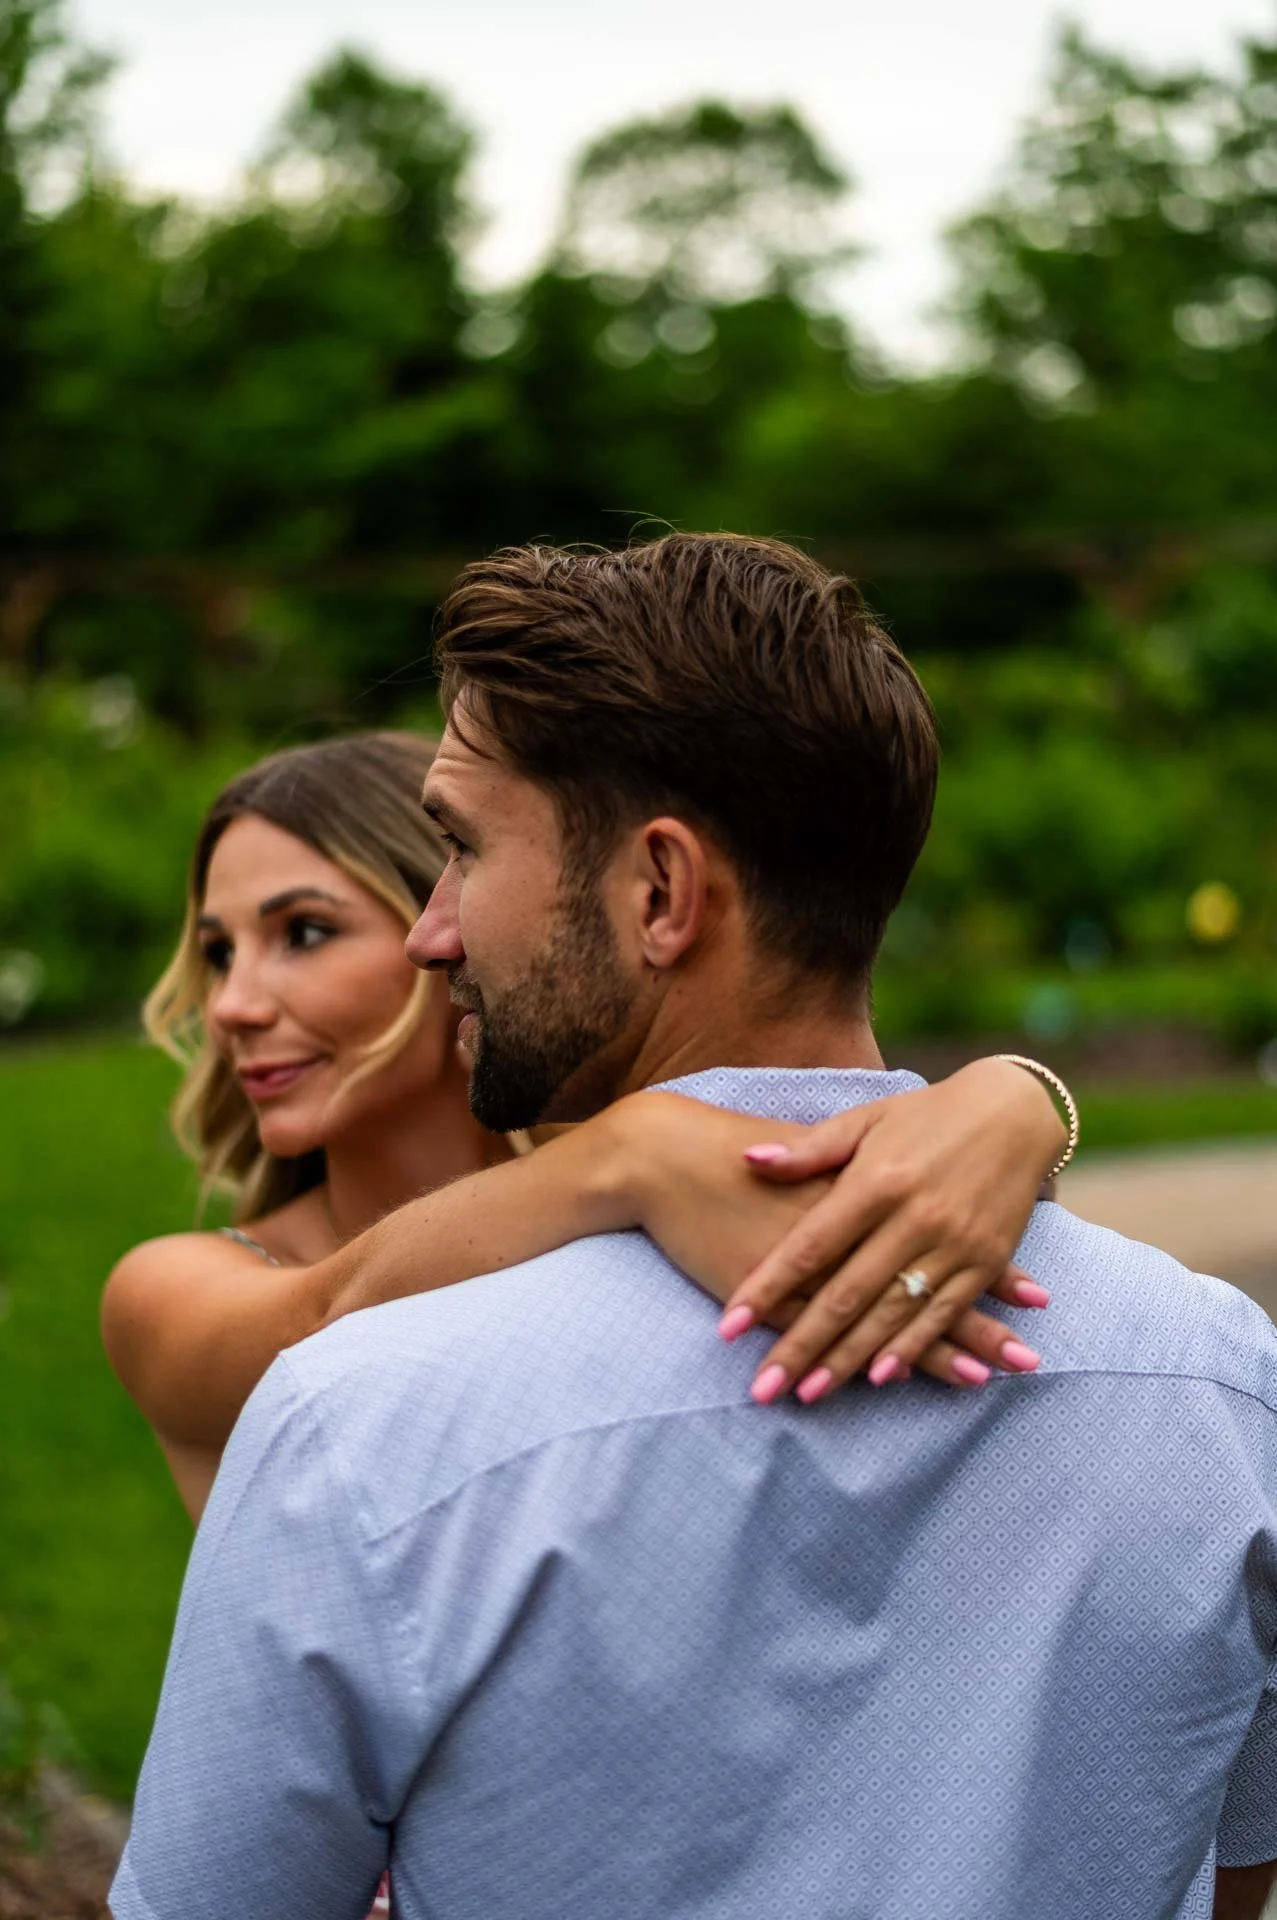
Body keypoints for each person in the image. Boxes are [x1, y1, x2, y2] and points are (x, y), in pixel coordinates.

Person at [114, 533, 1277, 1920]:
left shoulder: (364, 1422)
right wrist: (1023, 1093)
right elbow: (1230, 1882)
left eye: (462, 851)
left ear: (659, 892)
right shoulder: (1217, 1380)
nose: (435, 935)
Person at [103, 733, 1061, 1524]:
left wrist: (1018, 1101)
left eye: (302, 933)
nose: (231, 1004)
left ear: (455, 921)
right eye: (218, 953)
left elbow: (848, 1172)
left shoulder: (655, 1191)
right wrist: (627, 1151)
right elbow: (324, 1321)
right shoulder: (168, 1292)